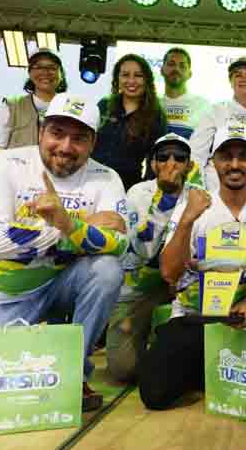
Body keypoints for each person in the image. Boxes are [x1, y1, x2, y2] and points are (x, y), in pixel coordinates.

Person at [0, 93, 128, 412]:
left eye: (79, 139)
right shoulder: (0, 165)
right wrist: (70, 227)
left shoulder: (106, 177)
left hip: (62, 283)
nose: (66, 147)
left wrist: (65, 223)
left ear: (93, 143)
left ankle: (72, 372)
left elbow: (121, 244)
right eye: (57, 133)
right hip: (4, 292)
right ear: (41, 131)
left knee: (108, 269)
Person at [138, 122, 246, 410]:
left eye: (244, 156)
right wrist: (188, 219)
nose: (235, 164)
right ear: (213, 162)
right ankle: (220, 369)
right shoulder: (195, 202)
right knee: (154, 394)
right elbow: (169, 273)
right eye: (226, 157)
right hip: (197, 317)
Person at [106, 133, 198, 383]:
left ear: (189, 165)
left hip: (182, 286)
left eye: (179, 157)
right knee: (124, 371)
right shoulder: (138, 193)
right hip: (139, 288)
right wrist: (167, 199)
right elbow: (141, 252)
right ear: (154, 163)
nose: (171, 162)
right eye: (163, 156)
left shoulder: (200, 195)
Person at [191, 57, 246, 193]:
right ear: (231, 81)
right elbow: (196, 153)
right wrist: (196, 188)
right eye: (237, 75)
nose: (244, 79)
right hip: (218, 192)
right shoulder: (216, 110)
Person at [93, 54, 167, 190]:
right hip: (91, 180)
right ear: (117, 79)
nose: (131, 81)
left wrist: (144, 191)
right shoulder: (104, 105)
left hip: (126, 186)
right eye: (125, 75)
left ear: (147, 80)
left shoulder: (156, 116)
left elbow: (154, 160)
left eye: (138, 75)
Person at [0, 48, 68, 153]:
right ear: (29, 73)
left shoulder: (70, 107)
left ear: (61, 74)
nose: (45, 72)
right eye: (38, 67)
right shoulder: (12, 105)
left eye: (52, 67)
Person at [160, 47, 213, 139]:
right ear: (162, 70)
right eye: (171, 64)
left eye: (182, 66)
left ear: (190, 74)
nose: (176, 69)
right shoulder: (152, 104)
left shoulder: (203, 106)